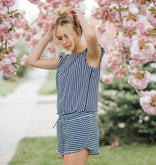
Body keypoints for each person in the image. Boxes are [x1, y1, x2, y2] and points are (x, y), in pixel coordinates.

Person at [26, 7, 105, 165]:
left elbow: (90, 35)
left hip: (80, 122)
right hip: (64, 123)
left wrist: (79, 16)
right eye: (60, 38)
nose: (64, 42)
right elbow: (32, 60)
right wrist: (49, 35)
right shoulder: (62, 60)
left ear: (78, 30)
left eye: (67, 36)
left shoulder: (91, 56)